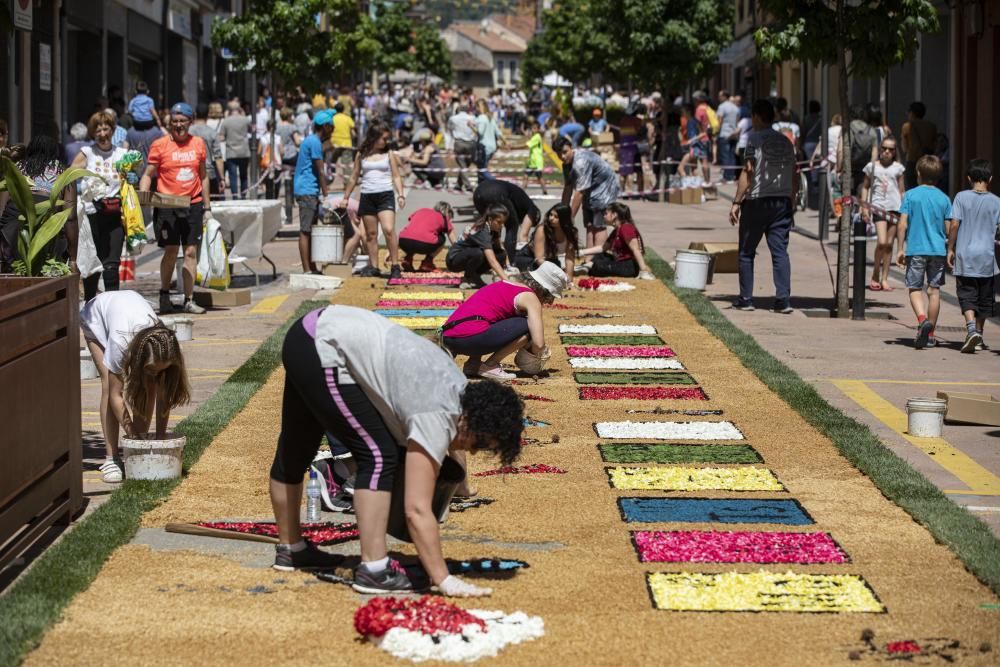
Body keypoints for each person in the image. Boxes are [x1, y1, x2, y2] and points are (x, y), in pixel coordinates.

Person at [268, 304, 523, 598]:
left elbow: (443, 448)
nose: (475, 452)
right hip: (325, 347)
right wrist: (443, 578)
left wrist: (460, 481)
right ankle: (374, 570)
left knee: (297, 447)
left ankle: (291, 550)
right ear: (474, 425)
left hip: (309, 333)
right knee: (378, 456)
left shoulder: (457, 392)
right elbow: (416, 510)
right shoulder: (437, 412)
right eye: (479, 445)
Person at [80, 290, 190, 483]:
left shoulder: (163, 342)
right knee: (108, 384)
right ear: (140, 360)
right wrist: (132, 434)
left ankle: (136, 450)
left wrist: (160, 438)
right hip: (96, 317)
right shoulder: (120, 342)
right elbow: (116, 396)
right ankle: (111, 458)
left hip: (128, 309)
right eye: (151, 369)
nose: (156, 374)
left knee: (149, 384)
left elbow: (163, 394)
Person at [139, 102, 210, 315]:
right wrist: (143, 195)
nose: (179, 125)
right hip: (167, 205)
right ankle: (164, 296)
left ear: (190, 122)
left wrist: (207, 207)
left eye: (183, 121)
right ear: (170, 123)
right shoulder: (160, 145)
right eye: (175, 121)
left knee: (190, 252)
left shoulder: (198, 143)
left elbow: (203, 176)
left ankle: (189, 299)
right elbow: (148, 174)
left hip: (193, 203)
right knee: (170, 251)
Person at [442, 261, 565, 380]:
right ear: (545, 291)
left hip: (448, 337)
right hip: (469, 340)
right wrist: (531, 351)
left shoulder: (505, 284)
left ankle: (473, 364)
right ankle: (490, 365)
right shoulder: (530, 298)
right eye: (551, 297)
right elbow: (538, 344)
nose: (549, 302)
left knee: (489, 319)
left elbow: (485, 316)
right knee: (527, 326)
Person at [730, 99, 797, 313]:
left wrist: (737, 201)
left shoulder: (754, 139)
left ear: (757, 117)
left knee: (746, 251)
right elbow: (794, 173)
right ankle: (783, 300)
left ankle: (746, 298)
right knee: (780, 251)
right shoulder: (786, 142)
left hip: (758, 201)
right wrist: (792, 200)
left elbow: (748, 171)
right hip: (781, 202)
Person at [895, 155, 952, 349]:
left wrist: (900, 248)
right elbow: (948, 228)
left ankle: (922, 320)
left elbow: (902, 224)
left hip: (916, 249)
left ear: (918, 173)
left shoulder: (910, 196)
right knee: (934, 291)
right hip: (937, 250)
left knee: (914, 288)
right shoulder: (944, 199)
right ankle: (931, 335)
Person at [72, 111, 130, 301]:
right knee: (93, 263)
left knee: (112, 265)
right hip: (92, 215)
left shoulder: (122, 154)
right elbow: (69, 177)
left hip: (115, 214)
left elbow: (131, 181)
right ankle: (90, 304)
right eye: (98, 130)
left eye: (106, 129)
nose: (103, 133)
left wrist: (131, 176)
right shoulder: (87, 153)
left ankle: (112, 305)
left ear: (113, 130)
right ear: (92, 133)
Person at [0, 135, 77, 273]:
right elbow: (70, 218)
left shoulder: (16, 168)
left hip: (13, 233)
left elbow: (1, 209)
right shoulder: (64, 173)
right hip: (48, 235)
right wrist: (73, 259)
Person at [341, 122, 406, 279]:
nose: (386, 141)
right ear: (374, 137)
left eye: (387, 138)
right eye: (384, 138)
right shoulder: (361, 154)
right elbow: (354, 176)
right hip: (367, 195)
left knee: (389, 229)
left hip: (385, 195)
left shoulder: (389, 154)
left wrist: (401, 194)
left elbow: (396, 175)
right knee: (370, 234)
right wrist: (346, 197)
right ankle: (374, 266)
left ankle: (395, 265)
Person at [947, 159, 999, 353]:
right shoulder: (996, 201)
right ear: (990, 179)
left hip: (965, 255)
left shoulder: (961, 197)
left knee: (967, 294)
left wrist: (950, 248)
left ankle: (971, 331)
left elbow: (954, 224)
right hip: (987, 258)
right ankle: (978, 333)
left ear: (969, 178)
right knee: (985, 298)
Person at [555, 135, 620, 249]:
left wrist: (570, 218)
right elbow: (568, 188)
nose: (563, 156)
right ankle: (589, 258)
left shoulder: (580, 162)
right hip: (590, 188)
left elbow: (579, 192)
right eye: (559, 154)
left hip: (605, 188)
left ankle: (600, 257)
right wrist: (562, 211)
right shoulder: (566, 164)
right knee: (589, 225)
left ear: (571, 147)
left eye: (565, 152)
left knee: (598, 225)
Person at [861, 137, 906, 291]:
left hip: (894, 208)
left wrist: (905, 209)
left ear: (894, 152)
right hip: (879, 207)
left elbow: (901, 190)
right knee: (881, 242)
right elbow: (865, 187)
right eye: (884, 148)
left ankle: (885, 278)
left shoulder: (898, 168)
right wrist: (864, 207)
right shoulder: (872, 167)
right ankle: (875, 272)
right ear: (880, 149)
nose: (887, 152)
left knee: (889, 244)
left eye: (891, 149)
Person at [293, 108, 335, 275]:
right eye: (331, 127)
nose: (332, 132)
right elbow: (320, 171)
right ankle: (306, 269)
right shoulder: (315, 143)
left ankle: (312, 266)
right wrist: (326, 195)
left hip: (309, 190)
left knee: (311, 228)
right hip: (307, 190)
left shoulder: (311, 141)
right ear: (325, 126)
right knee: (305, 230)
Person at [473, 179, 540, 267]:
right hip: (495, 193)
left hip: (478, 192)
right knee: (512, 226)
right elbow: (523, 235)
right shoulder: (533, 211)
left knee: (490, 226)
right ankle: (509, 262)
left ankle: (487, 259)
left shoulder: (520, 200)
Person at [578, 201, 653, 279]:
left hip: (628, 266)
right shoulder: (617, 230)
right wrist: (582, 252)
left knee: (599, 267)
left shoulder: (626, 228)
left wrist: (643, 271)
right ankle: (586, 267)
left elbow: (636, 249)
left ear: (614, 215)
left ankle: (586, 268)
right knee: (599, 256)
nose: (604, 216)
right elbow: (602, 248)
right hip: (619, 262)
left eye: (606, 213)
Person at [446, 204, 509, 288]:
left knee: (501, 255)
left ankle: (474, 275)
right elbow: (492, 261)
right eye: (499, 222)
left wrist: (508, 266)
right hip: (454, 259)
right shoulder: (482, 231)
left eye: (503, 223)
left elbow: (499, 247)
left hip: (469, 254)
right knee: (478, 253)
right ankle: (468, 277)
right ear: (490, 219)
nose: (502, 225)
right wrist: (508, 281)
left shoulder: (494, 227)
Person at [515, 203, 579, 285]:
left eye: (556, 217)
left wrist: (569, 278)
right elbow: (539, 259)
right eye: (551, 214)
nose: (551, 218)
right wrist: (555, 273)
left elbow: (569, 258)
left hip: (549, 261)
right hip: (529, 259)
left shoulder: (571, 233)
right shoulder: (542, 230)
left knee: (556, 268)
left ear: (564, 219)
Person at [399, 202, 455, 272]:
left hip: (403, 241)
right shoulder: (443, 218)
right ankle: (427, 263)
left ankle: (407, 259)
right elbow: (453, 239)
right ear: (447, 213)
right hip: (424, 244)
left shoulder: (422, 210)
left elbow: (412, 223)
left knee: (415, 234)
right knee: (442, 237)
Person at [188, 103, 226, 197]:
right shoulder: (212, 133)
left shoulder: (188, 131)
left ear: (195, 114)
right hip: (209, 173)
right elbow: (218, 157)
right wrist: (222, 178)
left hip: (190, 173)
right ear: (208, 114)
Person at [901, 101, 937, 190]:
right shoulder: (931, 126)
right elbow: (934, 145)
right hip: (927, 161)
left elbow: (904, 148)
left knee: (911, 188)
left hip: (912, 161)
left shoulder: (907, 126)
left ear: (912, 113)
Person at [219, 100, 252, 197]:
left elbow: (222, 136)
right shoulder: (245, 120)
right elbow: (251, 130)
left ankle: (234, 195)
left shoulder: (226, 121)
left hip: (231, 152)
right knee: (244, 175)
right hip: (244, 151)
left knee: (232, 176)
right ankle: (244, 194)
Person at [847, 104, 877, 195]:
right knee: (862, 187)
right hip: (865, 164)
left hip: (852, 164)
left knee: (849, 190)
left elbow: (847, 147)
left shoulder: (849, 127)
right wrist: (872, 167)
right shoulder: (871, 129)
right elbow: (875, 151)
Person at [473, 99, 506, 181]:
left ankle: (495, 182)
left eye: (476, 107)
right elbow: (498, 132)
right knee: (482, 167)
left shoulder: (481, 118)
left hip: (484, 147)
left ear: (478, 107)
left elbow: (480, 133)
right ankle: (481, 187)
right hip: (492, 147)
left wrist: (471, 126)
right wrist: (506, 142)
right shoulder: (490, 117)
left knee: (482, 170)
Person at [448, 104, 476, 191]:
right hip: (470, 143)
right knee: (465, 165)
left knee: (463, 165)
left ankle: (467, 185)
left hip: (459, 142)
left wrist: (450, 147)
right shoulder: (472, 118)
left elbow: (450, 132)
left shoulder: (453, 118)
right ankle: (458, 185)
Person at [330, 101, 356, 188]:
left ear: (335, 110)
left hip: (334, 143)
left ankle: (329, 181)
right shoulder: (347, 118)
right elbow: (353, 132)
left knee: (331, 163)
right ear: (343, 109)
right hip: (346, 143)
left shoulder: (332, 119)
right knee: (347, 165)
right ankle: (347, 184)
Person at [717, 91, 741, 183]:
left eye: (719, 96)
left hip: (724, 134)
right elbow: (737, 121)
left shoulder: (722, 107)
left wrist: (717, 132)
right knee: (732, 155)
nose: (718, 97)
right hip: (734, 134)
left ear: (724, 96)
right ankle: (731, 175)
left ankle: (727, 176)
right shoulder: (736, 108)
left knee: (725, 155)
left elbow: (720, 120)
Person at [257, 119, 283, 199]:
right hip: (277, 164)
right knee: (277, 184)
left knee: (268, 185)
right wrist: (280, 159)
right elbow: (282, 152)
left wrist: (259, 162)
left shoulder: (263, 138)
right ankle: (275, 199)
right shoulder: (278, 138)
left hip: (266, 165)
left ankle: (269, 200)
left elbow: (258, 152)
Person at [523, 121, 547, 195]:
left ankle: (544, 190)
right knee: (525, 176)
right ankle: (522, 190)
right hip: (532, 161)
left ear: (538, 129)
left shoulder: (537, 137)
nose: (533, 130)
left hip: (537, 161)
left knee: (540, 177)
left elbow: (526, 145)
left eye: (535, 128)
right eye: (532, 128)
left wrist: (513, 147)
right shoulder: (534, 137)